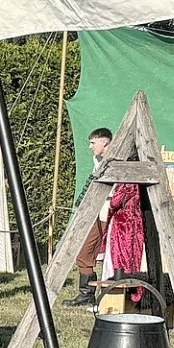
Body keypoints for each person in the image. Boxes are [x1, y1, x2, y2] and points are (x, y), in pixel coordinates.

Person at [63, 126, 113, 308]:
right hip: (99, 211)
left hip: (114, 214)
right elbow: (91, 184)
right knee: (85, 252)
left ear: (104, 142)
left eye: (93, 142)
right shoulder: (97, 160)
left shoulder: (115, 160)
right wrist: (81, 205)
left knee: (115, 257)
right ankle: (86, 294)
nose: (91, 146)